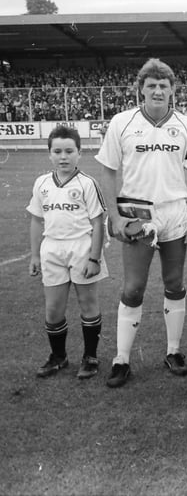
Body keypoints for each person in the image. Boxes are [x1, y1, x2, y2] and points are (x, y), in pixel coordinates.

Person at [96, 58, 187, 388]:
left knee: (174, 284)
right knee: (133, 287)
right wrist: (114, 217)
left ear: (173, 90)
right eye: (151, 85)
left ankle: (173, 352)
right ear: (140, 89)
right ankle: (122, 359)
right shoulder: (121, 122)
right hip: (136, 215)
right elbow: (109, 172)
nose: (158, 90)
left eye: (164, 85)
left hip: (174, 213)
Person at [27, 126, 108, 379]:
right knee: (53, 310)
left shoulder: (87, 184)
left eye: (69, 151)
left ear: (79, 153)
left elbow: (97, 223)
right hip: (51, 249)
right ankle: (58, 357)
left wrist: (94, 258)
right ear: (49, 154)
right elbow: (36, 220)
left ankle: (90, 357)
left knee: (87, 304)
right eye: (57, 151)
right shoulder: (41, 183)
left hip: (81, 248)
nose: (63, 156)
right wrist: (34, 255)